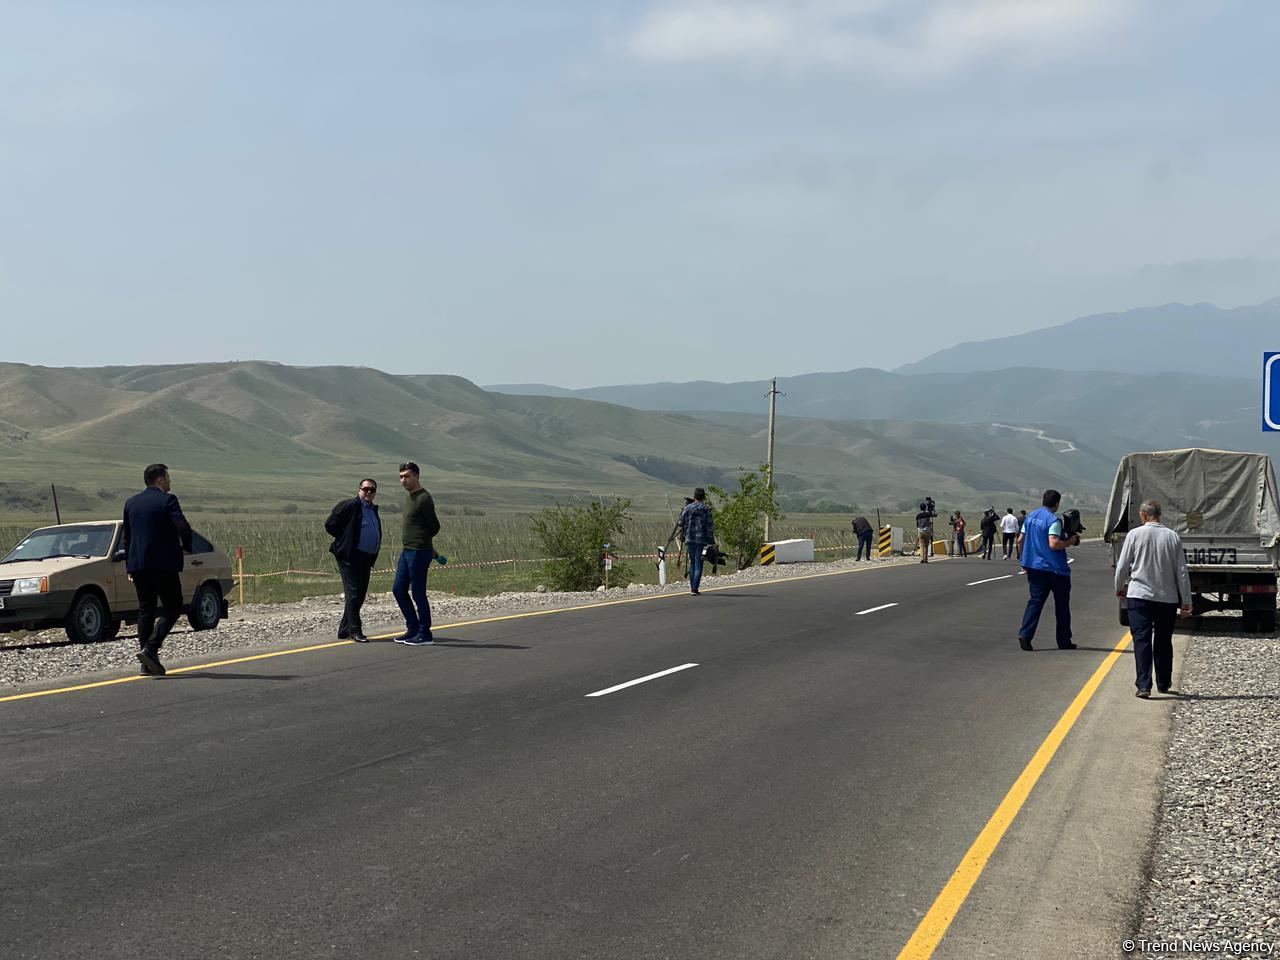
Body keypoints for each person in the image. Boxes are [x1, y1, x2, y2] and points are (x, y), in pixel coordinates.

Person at [1113, 499, 1192, 698]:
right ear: (1159, 515)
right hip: (1166, 598)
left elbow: (1122, 567)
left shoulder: (1135, 535)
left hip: (1139, 596)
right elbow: (1182, 572)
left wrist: (1120, 587)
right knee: (1164, 641)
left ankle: (1144, 685)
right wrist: (1186, 601)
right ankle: (1164, 682)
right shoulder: (1172, 537)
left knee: (1142, 640)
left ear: (1144, 515)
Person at [121, 463, 193, 676]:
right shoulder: (168, 500)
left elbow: (128, 537)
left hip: (138, 565)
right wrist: (186, 547)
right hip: (163, 564)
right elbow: (182, 526)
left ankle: (146, 663)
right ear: (160, 480)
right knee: (173, 606)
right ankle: (151, 648)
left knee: (146, 610)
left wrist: (130, 566)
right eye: (168, 477)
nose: (170, 481)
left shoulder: (131, 503)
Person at [1016, 489, 1080, 651]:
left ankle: (1025, 635)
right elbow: (1053, 543)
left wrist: (1024, 560)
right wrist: (1069, 542)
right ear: (1057, 503)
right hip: (1055, 569)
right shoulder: (1053, 520)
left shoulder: (1030, 517)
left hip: (1034, 567)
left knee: (1035, 602)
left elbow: (1020, 539)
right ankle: (1064, 640)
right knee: (1062, 605)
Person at [325, 478, 382, 643]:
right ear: (359, 489)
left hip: (366, 556)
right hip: (350, 555)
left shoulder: (372, 509)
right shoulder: (349, 505)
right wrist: (345, 540)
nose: (368, 492)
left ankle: (344, 629)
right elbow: (330, 525)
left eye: (372, 490)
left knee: (360, 593)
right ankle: (354, 630)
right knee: (353, 593)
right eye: (366, 489)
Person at [392, 462, 441, 645]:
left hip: (419, 551)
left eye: (407, 476)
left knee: (418, 593)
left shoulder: (424, 498)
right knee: (398, 589)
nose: (403, 480)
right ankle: (412, 628)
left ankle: (425, 633)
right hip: (407, 551)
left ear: (417, 476)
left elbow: (434, 526)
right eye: (401, 477)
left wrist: (424, 542)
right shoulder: (409, 498)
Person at [678, 487, 716, 594]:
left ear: (694, 496)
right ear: (703, 497)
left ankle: (692, 587)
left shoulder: (688, 508)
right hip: (701, 540)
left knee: (692, 563)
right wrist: (711, 541)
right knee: (699, 563)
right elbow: (709, 527)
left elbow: (680, 522)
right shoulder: (706, 509)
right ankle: (695, 588)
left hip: (689, 539)